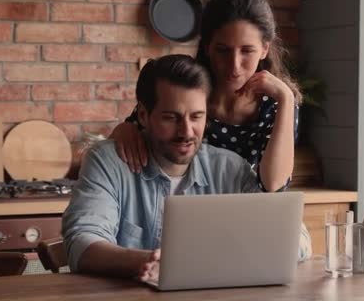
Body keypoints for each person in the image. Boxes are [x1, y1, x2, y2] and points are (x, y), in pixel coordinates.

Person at [110, 0, 312, 260]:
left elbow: (274, 183)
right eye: (223, 50)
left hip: (247, 228)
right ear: (206, 47)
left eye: (247, 51)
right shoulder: (190, 91)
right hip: (182, 221)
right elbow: (137, 126)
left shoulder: (277, 104)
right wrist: (124, 129)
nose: (234, 65)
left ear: (265, 48)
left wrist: (287, 99)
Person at [63, 55, 290, 282]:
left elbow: (294, 238)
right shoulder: (107, 162)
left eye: (196, 117)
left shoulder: (230, 169)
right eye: (171, 118)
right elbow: (82, 244)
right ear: (143, 115)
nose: (187, 132)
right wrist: (150, 261)